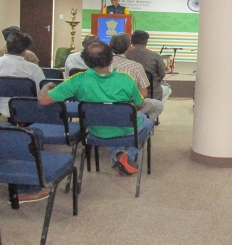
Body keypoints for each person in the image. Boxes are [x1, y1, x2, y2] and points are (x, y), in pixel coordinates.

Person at [38, 42, 154, 176]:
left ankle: (118, 153)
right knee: (147, 121)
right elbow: (140, 104)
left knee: (108, 124)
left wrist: (47, 86)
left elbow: (43, 100)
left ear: (86, 61)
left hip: (96, 130)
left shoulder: (77, 80)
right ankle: (127, 154)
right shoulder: (126, 80)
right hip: (125, 129)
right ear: (111, 58)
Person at [0, 31, 45, 117]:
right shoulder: (34, 69)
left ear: (7, 46)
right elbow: (41, 92)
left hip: (0, 111)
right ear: (25, 50)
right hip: (28, 113)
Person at [109, 33, 164, 122]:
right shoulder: (136, 67)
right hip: (131, 107)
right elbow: (143, 94)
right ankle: (141, 121)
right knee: (159, 105)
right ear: (128, 47)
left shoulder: (100, 67)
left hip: (102, 110)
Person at [126, 30, 171, 103]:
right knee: (167, 89)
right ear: (146, 42)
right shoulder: (155, 56)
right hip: (151, 92)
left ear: (131, 41)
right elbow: (162, 75)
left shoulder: (125, 55)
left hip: (128, 91)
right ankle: (156, 106)